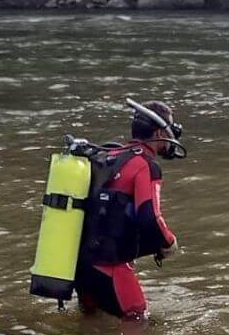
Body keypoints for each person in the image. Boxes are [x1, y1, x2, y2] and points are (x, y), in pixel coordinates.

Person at [75, 101, 181, 321]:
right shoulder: (145, 165)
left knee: (89, 323)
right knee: (137, 320)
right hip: (109, 265)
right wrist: (169, 242)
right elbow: (149, 217)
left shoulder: (108, 155)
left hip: (79, 263)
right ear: (159, 133)